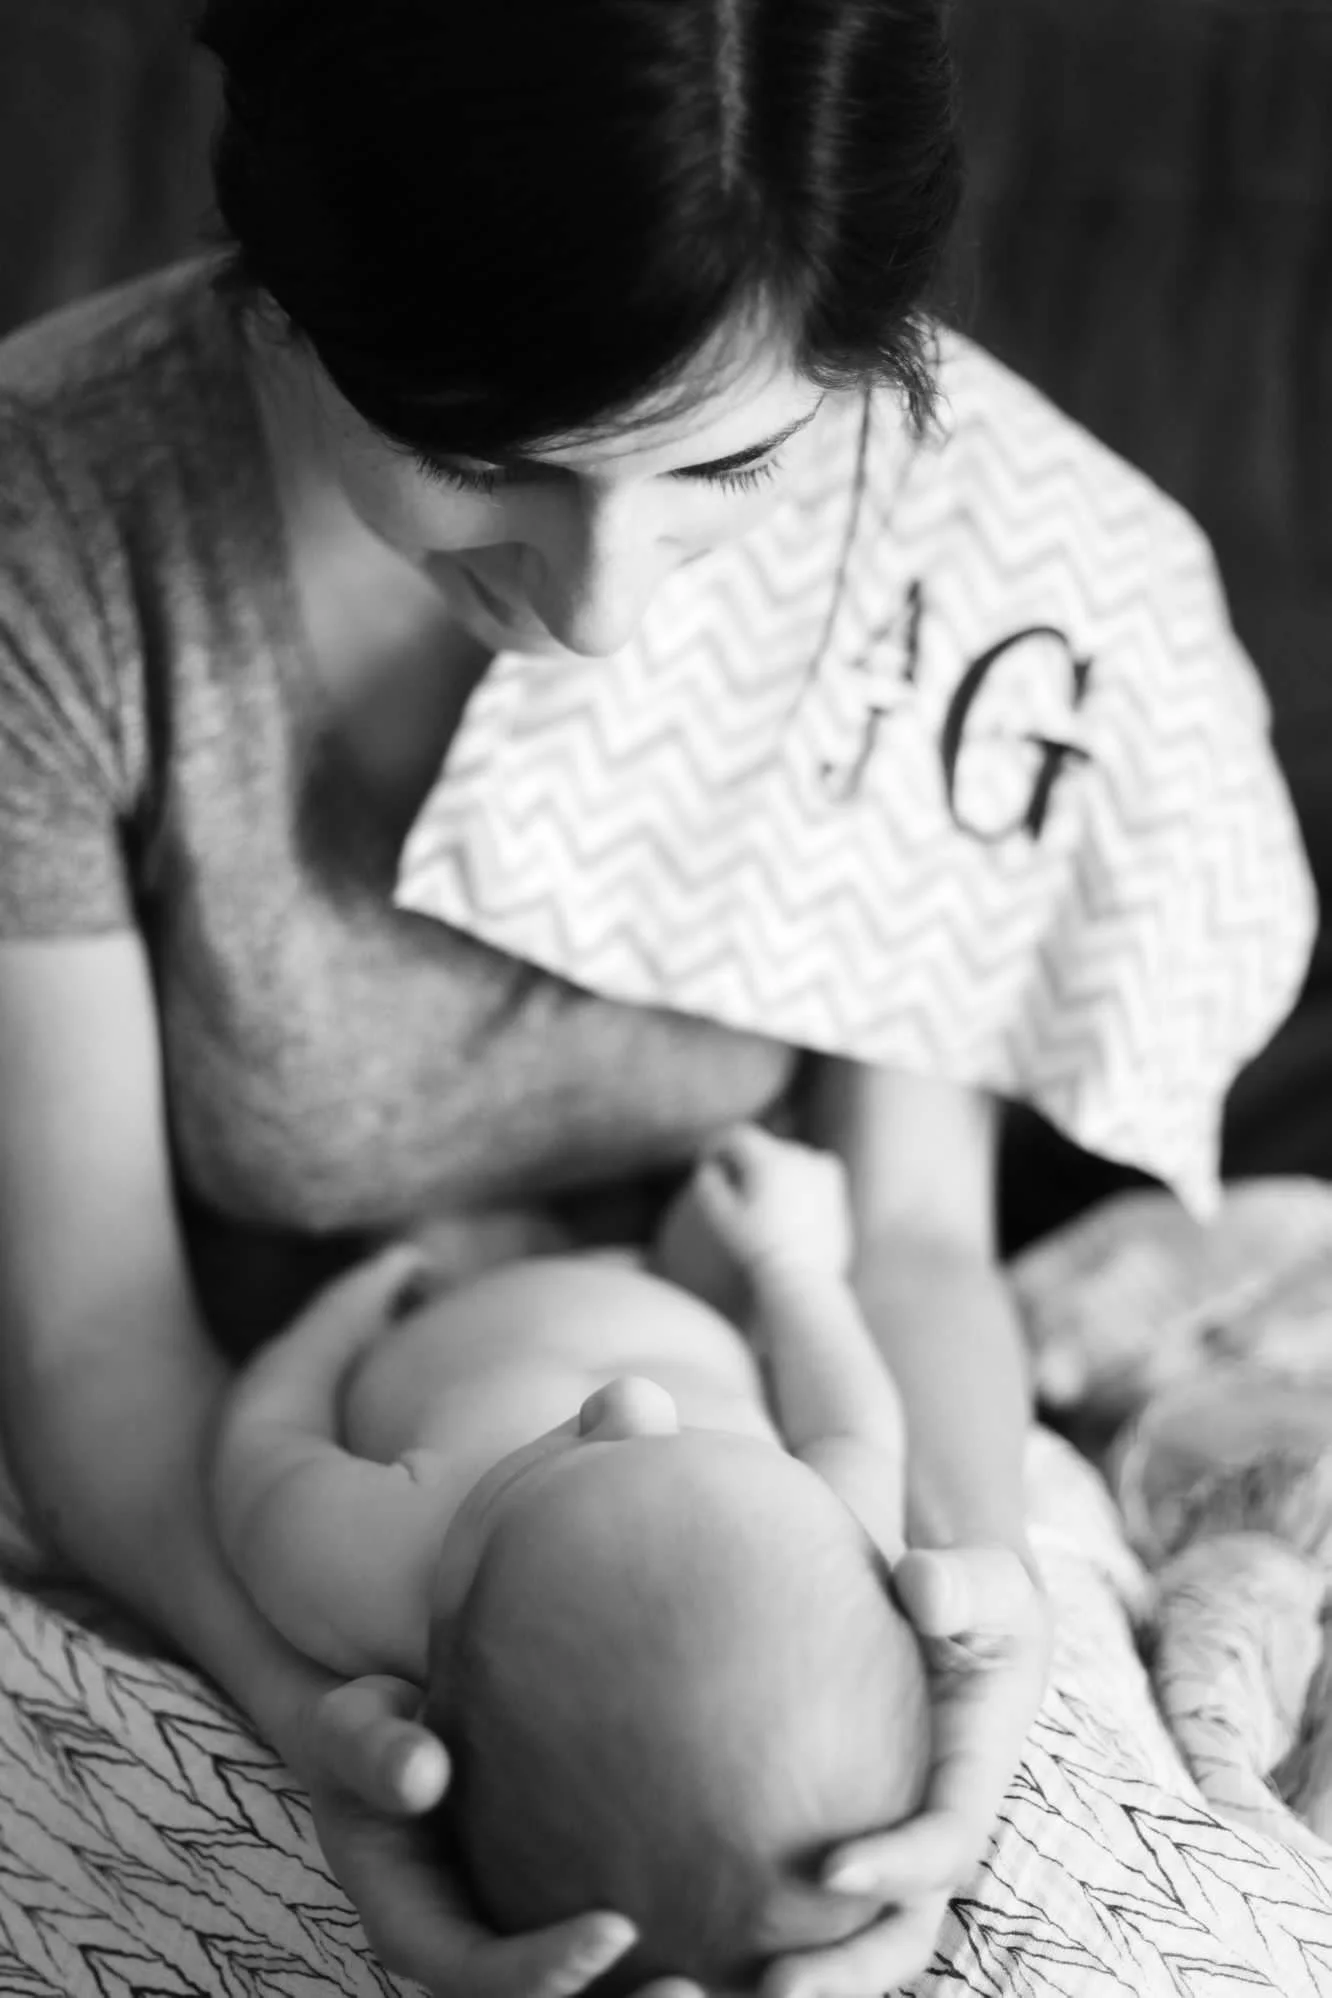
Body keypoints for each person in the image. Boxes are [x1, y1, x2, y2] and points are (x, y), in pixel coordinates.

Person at [0, 2, 1313, 1995]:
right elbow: (95, 1338)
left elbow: (906, 1239)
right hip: (250, 1478)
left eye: (732, 460)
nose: (600, 605)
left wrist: (961, 1657)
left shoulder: (942, 555)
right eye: (472, 460)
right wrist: (329, 1720)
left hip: (776, 1449)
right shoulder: (57, 536)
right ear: (282, 318)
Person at [212, 1125, 931, 1991]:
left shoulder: (372, 1565)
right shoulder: (831, 1533)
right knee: (760, 1182)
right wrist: (795, 1270)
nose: (634, 1401)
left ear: (452, 1625)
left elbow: (264, 1436)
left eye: (584, 1445)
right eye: (690, 1440)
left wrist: (347, 1310)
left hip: (436, 1279)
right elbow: (851, 1425)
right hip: (681, 1280)